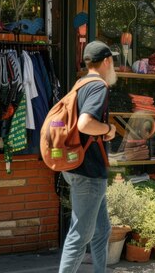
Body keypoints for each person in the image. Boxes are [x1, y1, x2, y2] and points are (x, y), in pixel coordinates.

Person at [59, 41, 118, 273]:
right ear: (106, 61)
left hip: (79, 168)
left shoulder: (80, 84)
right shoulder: (98, 87)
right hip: (88, 172)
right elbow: (85, 124)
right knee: (80, 235)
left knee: (102, 230)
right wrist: (108, 130)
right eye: (112, 61)